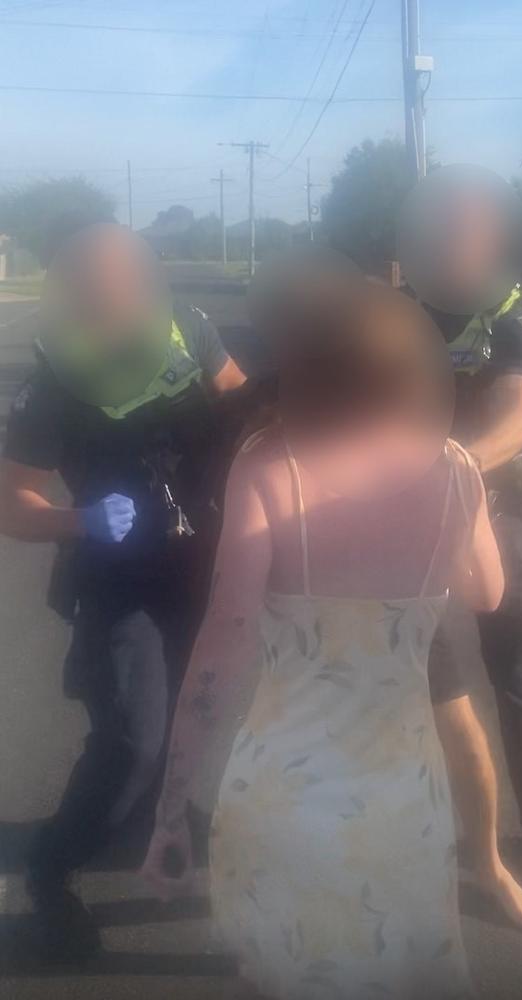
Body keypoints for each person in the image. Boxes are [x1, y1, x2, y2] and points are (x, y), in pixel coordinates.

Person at [143, 280, 508, 999]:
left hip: (283, 786)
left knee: (288, 972)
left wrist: (169, 808)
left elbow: (225, 640)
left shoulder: (271, 463)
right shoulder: (458, 468)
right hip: (404, 794)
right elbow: (488, 593)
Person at [0, 222, 245, 959]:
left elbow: (244, 414)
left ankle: (160, 810)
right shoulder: (52, 383)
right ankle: (49, 870)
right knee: (132, 739)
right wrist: (78, 519)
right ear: (73, 298)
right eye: (95, 293)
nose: (117, 303)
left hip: (200, 567)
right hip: (116, 579)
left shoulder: (190, 332)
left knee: (187, 713)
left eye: (126, 286)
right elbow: (12, 502)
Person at [399, 167, 522, 891]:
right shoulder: (393, 311)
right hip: (403, 521)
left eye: (471, 233)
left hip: (490, 515)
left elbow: (521, 414)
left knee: (517, 672)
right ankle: (417, 813)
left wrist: (454, 463)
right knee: (410, 676)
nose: (457, 245)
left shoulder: (512, 319)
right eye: (445, 231)